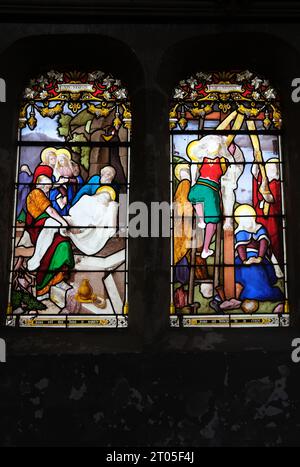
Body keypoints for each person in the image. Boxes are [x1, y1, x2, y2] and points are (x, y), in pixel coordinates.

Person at [25, 175, 74, 299]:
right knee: (54, 224)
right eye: (46, 185)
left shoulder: (44, 190)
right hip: (39, 227)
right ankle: (36, 260)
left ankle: (58, 280)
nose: (49, 186)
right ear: (39, 185)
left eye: (49, 184)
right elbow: (50, 211)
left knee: (63, 244)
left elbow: (54, 186)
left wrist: (60, 183)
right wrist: (63, 222)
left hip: (48, 227)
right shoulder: (36, 193)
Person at [187, 135, 233, 259]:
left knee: (197, 198)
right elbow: (193, 169)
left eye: (215, 144)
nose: (213, 147)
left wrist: (193, 182)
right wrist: (192, 182)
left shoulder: (220, 161)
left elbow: (229, 175)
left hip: (207, 188)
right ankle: (205, 247)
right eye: (211, 144)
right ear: (206, 146)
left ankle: (205, 246)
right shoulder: (203, 159)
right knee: (210, 219)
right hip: (207, 188)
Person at [234, 204, 283, 302]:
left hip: (259, 257)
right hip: (243, 259)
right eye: (243, 217)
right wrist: (245, 261)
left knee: (259, 270)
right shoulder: (240, 231)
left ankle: (260, 293)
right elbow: (241, 247)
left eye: (248, 216)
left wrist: (259, 258)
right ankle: (249, 294)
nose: (246, 219)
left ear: (252, 217)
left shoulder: (259, 228)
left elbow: (263, 242)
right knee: (246, 271)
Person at [252, 157, 283, 268]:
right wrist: (256, 161)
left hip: (271, 220)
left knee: (273, 241)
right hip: (260, 217)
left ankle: (277, 266)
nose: (270, 168)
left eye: (272, 167)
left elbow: (271, 199)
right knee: (262, 240)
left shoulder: (276, 183)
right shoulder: (263, 179)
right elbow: (256, 177)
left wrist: (264, 190)